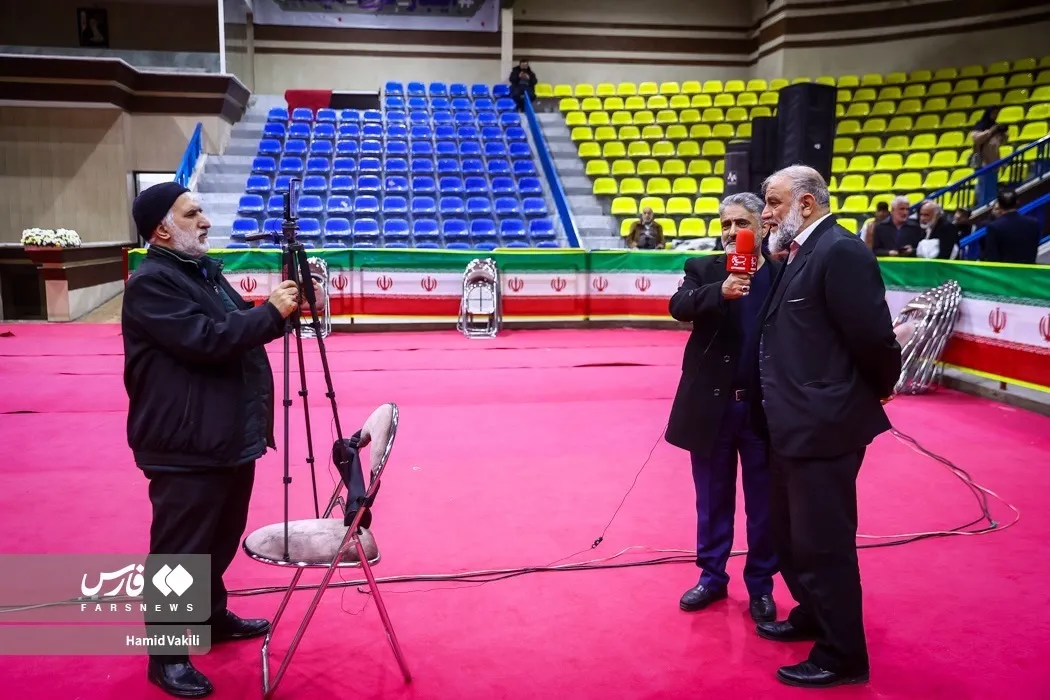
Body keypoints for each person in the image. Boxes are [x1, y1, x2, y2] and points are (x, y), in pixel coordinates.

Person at [121, 182, 319, 698]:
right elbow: (206, 340)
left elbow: (237, 325)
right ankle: (167, 656)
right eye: (192, 214)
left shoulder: (200, 273)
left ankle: (208, 616)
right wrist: (269, 312)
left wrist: (283, 310)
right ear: (163, 230)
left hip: (226, 434)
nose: (205, 220)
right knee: (181, 551)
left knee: (219, 538)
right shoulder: (151, 284)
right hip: (184, 442)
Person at [753, 166, 902, 688]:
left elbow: (874, 338)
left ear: (807, 204)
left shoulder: (841, 252)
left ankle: (843, 655)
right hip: (788, 422)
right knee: (791, 538)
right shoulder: (798, 251)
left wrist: (878, 387)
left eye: (773, 203)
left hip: (824, 424)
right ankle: (813, 614)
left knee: (823, 545)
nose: (765, 214)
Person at [666, 192, 779, 623]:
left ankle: (761, 585)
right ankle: (712, 576)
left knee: (764, 505)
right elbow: (679, 306)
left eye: (742, 223)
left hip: (762, 411)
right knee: (712, 500)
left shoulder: (783, 272)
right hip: (712, 409)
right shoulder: (703, 269)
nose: (732, 232)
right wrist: (720, 291)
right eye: (726, 224)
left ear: (762, 226)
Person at [983, 189, 1042, 264]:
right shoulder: (1034, 223)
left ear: (999, 205)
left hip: (1005, 270)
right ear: (1017, 202)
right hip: (1028, 269)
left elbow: (992, 257)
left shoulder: (994, 227)